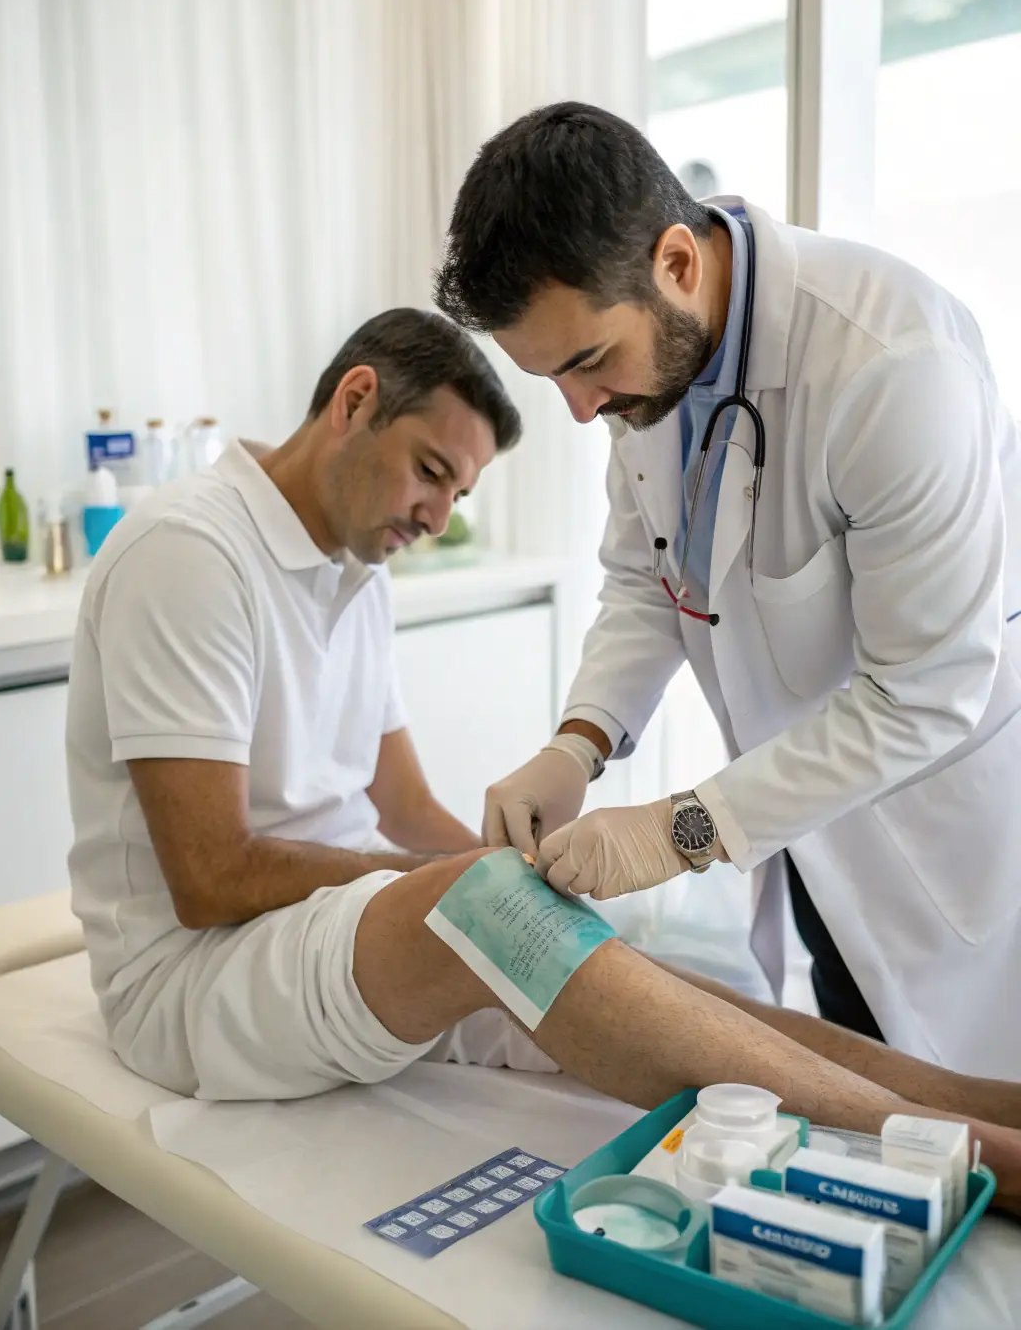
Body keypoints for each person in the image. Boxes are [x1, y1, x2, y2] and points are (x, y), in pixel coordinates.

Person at [64, 308, 1021, 1210]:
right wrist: (465, 886)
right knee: (495, 908)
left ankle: (977, 1103)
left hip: (331, 932)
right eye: (430, 471)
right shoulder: (191, 552)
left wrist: (523, 874)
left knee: (597, 947)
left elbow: (399, 801)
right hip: (194, 974)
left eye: (457, 492)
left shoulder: (352, 572)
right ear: (354, 401)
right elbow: (209, 876)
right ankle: (988, 1160)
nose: (437, 515)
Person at [435, 101, 1021, 1078]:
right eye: (552, 381)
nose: (582, 412)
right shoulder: (655, 364)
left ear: (674, 261)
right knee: (863, 1085)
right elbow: (647, 582)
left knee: (975, 1128)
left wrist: (680, 830)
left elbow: (923, 697)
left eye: (585, 364)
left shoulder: (892, 367)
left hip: (941, 837)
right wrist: (575, 745)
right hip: (806, 827)